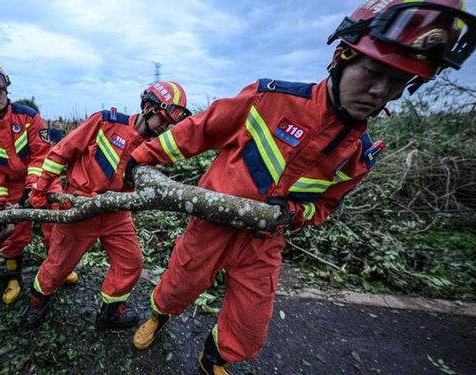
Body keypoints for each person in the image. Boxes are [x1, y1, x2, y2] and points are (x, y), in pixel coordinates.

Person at [124, 1, 476, 374]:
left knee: (250, 324)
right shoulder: (271, 99)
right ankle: (159, 317)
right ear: (343, 56)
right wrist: (142, 159)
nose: (379, 91)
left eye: (396, 83)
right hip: (210, 224)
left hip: (264, 241)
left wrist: (290, 215)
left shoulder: (360, 154)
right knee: (179, 284)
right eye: (373, 71)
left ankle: (212, 359)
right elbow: (197, 131)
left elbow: (326, 206)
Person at [24, 81, 192, 329]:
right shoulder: (105, 122)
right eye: (164, 121)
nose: (165, 128)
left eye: (170, 125)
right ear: (148, 108)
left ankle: (110, 313)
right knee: (59, 264)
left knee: (131, 262)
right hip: (79, 207)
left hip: (116, 213)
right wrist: (41, 187)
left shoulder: (155, 147)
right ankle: (38, 301)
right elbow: (61, 151)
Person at [0, 55, 78, 305]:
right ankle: (12, 277)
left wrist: (33, 189)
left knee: (55, 225)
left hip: (45, 178)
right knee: (12, 234)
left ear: (6, 87)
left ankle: (59, 269)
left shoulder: (29, 117)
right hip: (10, 186)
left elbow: (42, 155)